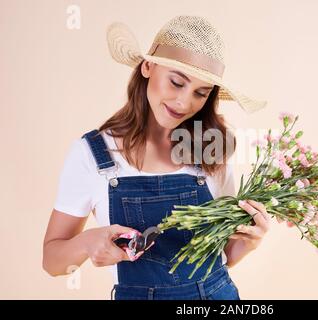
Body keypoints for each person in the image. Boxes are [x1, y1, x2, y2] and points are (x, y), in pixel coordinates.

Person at [43, 15, 275, 300]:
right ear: (148, 66)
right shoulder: (91, 154)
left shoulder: (210, 149)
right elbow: (53, 263)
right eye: (177, 82)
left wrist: (250, 241)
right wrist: (87, 242)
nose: (184, 103)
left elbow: (220, 259)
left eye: (201, 93)